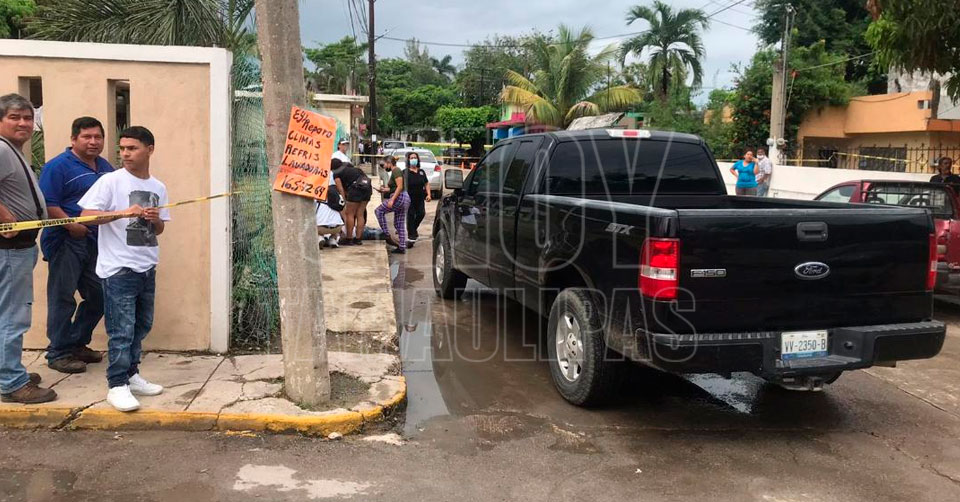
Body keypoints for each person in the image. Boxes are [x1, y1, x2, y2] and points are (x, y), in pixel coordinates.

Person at [78, 126, 170, 412]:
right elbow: (86, 217)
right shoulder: (110, 181)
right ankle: (117, 384)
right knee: (121, 330)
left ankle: (131, 375)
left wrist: (154, 219)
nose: (125, 154)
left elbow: (160, 229)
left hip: (146, 266)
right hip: (118, 268)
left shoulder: (158, 187)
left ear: (149, 150)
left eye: (132, 148)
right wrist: (121, 213)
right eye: (123, 149)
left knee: (142, 325)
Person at [39, 117, 115, 374]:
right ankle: (58, 353)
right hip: (65, 241)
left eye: (98, 137)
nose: (93, 142)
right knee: (62, 297)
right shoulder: (57, 167)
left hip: (95, 242)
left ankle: (76, 343)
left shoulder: (105, 168)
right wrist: (72, 225)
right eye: (87, 137)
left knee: (100, 296)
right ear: (73, 139)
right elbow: (48, 204)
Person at [0, 93, 56, 404]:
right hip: (9, 249)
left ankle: (8, 371)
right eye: (14, 117)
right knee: (13, 315)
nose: (23, 123)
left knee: (8, 313)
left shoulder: (12, 150)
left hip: (19, 248)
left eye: (27, 117)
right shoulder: (1, 149)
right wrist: (5, 215)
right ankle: (11, 383)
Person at [374, 155, 410, 254]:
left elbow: (400, 186)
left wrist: (392, 200)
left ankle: (386, 234)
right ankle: (402, 246)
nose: (384, 167)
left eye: (384, 164)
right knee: (399, 223)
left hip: (400, 197)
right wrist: (384, 190)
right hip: (403, 198)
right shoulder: (395, 171)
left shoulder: (396, 170)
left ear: (389, 163)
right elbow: (394, 188)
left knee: (379, 211)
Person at [336, 160, 372, 245]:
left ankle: (349, 238)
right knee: (360, 214)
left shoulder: (337, 173)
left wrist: (344, 200)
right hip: (367, 189)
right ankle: (358, 239)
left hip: (355, 190)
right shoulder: (357, 170)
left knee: (350, 214)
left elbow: (340, 189)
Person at [404, 151, 432, 244]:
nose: (413, 160)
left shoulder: (421, 172)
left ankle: (413, 229)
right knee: (411, 216)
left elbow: (426, 183)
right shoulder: (405, 172)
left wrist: (428, 194)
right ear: (408, 160)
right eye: (411, 158)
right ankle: (411, 235)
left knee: (421, 214)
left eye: (415, 158)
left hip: (420, 197)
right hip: (409, 198)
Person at [316, 159, 345, 248]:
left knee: (315, 221)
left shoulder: (317, 200)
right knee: (335, 220)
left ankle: (320, 238)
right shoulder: (335, 201)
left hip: (321, 227)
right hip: (338, 227)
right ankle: (333, 239)